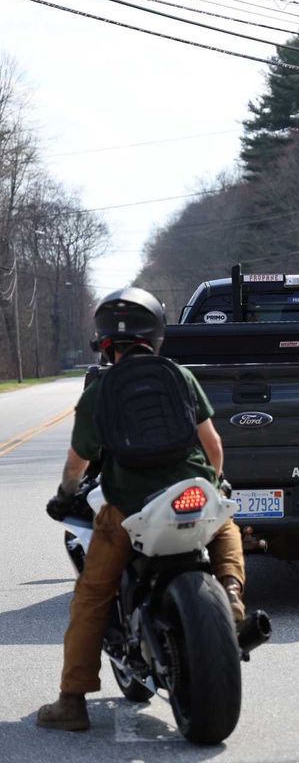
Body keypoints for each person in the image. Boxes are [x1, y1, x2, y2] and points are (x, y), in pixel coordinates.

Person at [37, 287, 247, 732]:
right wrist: (216, 480)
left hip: (131, 507)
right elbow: (213, 444)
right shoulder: (178, 376)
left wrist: (65, 493)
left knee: (91, 597)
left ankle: (72, 702)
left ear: (104, 343)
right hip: (190, 491)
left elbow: (79, 460)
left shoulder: (101, 390)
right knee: (224, 522)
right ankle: (230, 592)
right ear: (156, 337)